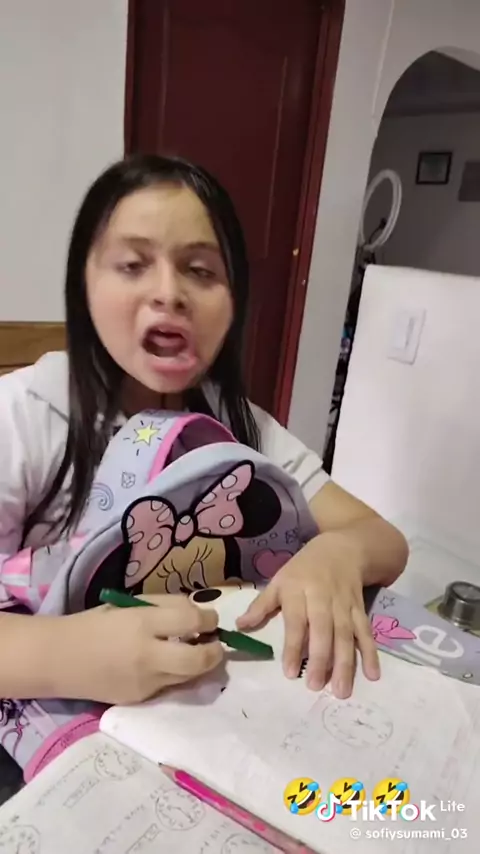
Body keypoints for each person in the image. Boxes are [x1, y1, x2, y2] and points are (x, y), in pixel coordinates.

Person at [0, 154, 408, 713]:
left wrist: (338, 552)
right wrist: (65, 654)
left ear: (234, 302)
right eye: (132, 265)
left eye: (201, 271)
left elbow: (384, 539)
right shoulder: (23, 415)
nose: (169, 292)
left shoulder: (240, 426)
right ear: (83, 285)